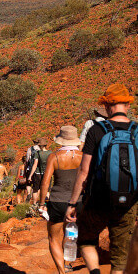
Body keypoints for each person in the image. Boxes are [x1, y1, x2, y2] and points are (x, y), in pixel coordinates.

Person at [65, 83, 137, 274]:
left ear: (106, 106)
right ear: (128, 106)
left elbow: (83, 171)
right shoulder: (136, 131)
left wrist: (72, 203)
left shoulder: (96, 130)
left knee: (86, 239)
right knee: (120, 257)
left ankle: (95, 271)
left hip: (98, 201)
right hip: (129, 203)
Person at [39, 126, 83, 273]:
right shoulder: (83, 156)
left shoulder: (54, 156)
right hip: (77, 202)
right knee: (70, 234)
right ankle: (66, 263)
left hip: (57, 201)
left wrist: (41, 204)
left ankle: (60, 270)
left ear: (61, 140)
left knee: (53, 238)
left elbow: (45, 182)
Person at [28, 138, 52, 204]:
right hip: (48, 174)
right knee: (47, 190)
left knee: (35, 190)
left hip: (38, 173)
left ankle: (35, 204)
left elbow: (35, 165)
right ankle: (47, 205)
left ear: (40, 145)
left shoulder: (37, 153)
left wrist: (30, 175)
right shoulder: (50, 153)